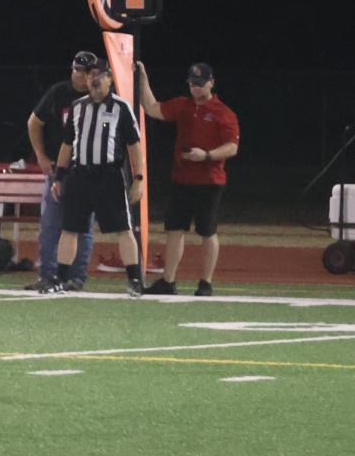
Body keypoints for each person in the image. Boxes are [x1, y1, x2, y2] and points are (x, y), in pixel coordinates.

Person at [135, 61, 239, 296]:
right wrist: (143, 78)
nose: (195, 88)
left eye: (200, 84)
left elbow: (232, 147)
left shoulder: (224, 113)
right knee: (174, 229)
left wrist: (207, 156)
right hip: (182, 179)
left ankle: (206, 282)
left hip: (210, 181)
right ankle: (168, 280)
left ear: (211, 83)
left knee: (207, 231)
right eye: (192, 83)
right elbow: (152, 108)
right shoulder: (183, 105)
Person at [49, 61, 146, 297]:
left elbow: (134, 145)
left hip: (109, 176)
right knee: (70, 228)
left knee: (123, 228)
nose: (95, 79)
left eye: (101, 75)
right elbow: (67, 144)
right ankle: (60, 279)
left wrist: (139, 178)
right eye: (91, 74)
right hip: (80, 174)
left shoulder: (121, 107)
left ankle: (134, 280)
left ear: (110, 79)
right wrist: (59, 177)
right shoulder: (77, 106)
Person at [26, 52, 101, 291]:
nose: (80, 76)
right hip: (61, 169)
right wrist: (40, 155)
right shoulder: (59, 93)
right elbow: (34, 123)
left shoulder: (102, 97)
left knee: (82, 226)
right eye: (77, 70)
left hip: (89, 169)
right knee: (51, 224)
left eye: (86, 71)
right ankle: (48, 275)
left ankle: (76, 276)